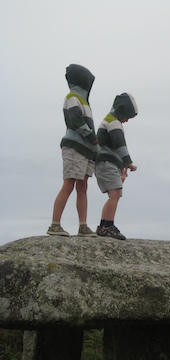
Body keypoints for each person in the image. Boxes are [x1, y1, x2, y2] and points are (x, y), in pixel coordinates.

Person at [47, 64, 98, 237]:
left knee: (82, 187)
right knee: (69, 184)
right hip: (74, 147)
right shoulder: (72, 97)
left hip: (86, 150)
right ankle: (55, 225)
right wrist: (93, 139)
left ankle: (83, 226)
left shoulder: (84, 101)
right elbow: (76, 121)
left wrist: (94, 147)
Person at [95, 93, 138, 240]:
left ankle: (103, 226)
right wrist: (128, 162)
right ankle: (108, 226)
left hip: (105, 162)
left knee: (113, 194)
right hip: (106, 162)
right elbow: (120, 144)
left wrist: (120, 167)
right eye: (127, 116)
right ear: (121, 111)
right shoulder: (113, 122)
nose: (126, 120)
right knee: (116, 194)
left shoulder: (109, 120)